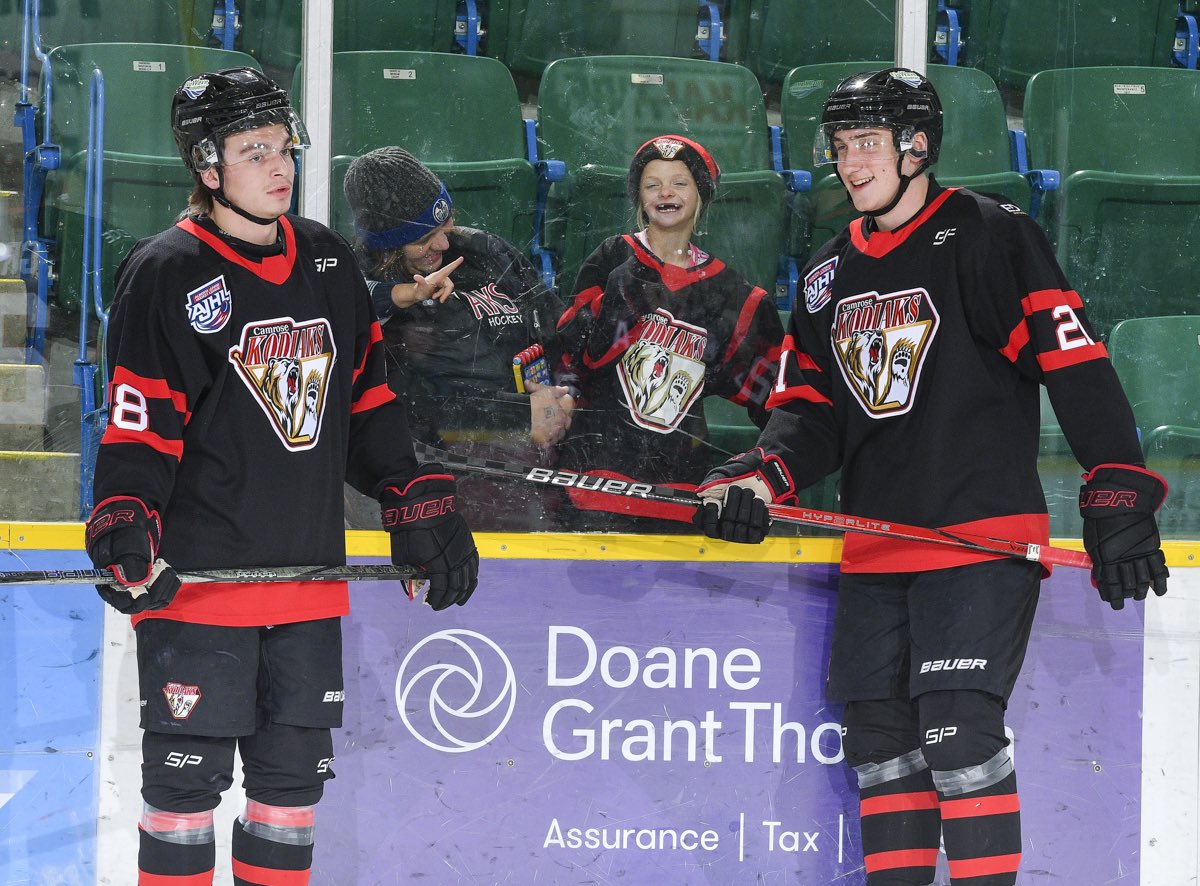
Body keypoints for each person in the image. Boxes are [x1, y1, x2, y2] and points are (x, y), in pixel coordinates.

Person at [694, 68, 1169, 886]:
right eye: (841, 147)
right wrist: (760, 478)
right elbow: (813, 409)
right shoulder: (828, 272)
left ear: (918, 147)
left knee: (957, 732)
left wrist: (1119, 479)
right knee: (881, 753)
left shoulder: (990, 234)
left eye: (868, 143)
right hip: (877, 547)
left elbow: (1073, 359)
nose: (850, 163)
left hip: (976, 538)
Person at [83, 68, 478, 885]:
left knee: (289, 806)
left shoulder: (329, 261)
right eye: (252, 149)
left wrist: (408, 493)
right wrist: (125, 512)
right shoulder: (168, 272)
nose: (279, 165)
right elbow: (140, 421)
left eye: (282, 144)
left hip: (307, 588)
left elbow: (364, 400)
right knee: (182, 801)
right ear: (206, 165)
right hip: (197, 592)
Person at [552, 134, 784, 528]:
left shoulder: (733, 292)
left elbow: (775, 397)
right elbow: (576, 357)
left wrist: (765, 471)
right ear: (640, 198)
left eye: (680, 182)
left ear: (701, 195)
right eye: (652, 184)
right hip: (595, 476)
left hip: (680, 485)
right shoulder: (613, 258)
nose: (665, 192)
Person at [343, 146, 572, 530]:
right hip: (425, 488)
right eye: (424, 239)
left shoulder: (485, 250)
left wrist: (562, 397)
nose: (445, 245)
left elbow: (559, 332)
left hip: (524, 471)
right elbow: (406, 408)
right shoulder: (365, 294)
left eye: (445, 225)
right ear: (386, 245)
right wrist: (517, 417)